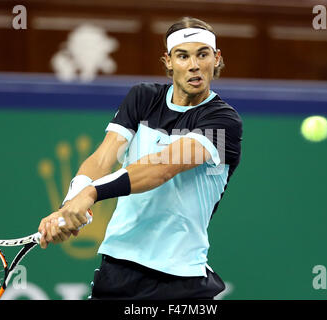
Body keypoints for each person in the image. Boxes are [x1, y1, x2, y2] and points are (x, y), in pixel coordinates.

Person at [38, 17, 243, 300]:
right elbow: (103, 157)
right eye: (183, 56)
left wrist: (92, 193)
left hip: (181, 279)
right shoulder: (142, 97)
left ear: (216, 58)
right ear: (168, 61)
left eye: (203, 54)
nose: (194, 65)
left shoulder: (223, 122)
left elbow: (160, 169)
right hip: (117, 268)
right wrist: (69, 205)